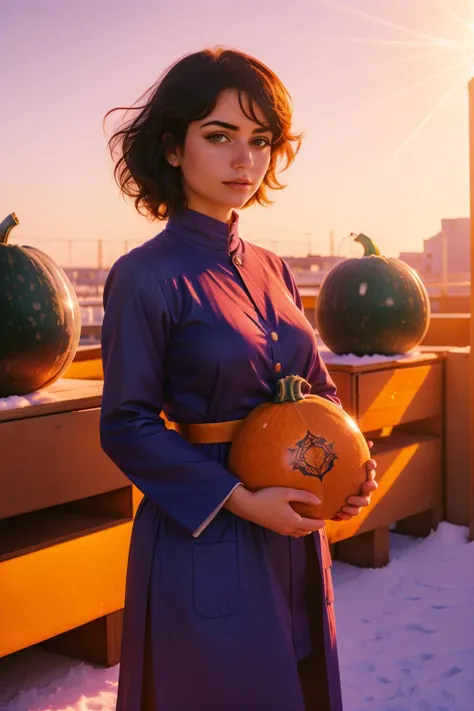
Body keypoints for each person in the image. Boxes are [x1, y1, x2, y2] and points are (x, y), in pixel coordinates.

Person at [100, 47, 377, 711]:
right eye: (219, 136)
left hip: (296, 527)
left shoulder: (274, 268)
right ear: (172, 149)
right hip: (207, 529)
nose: (244, 160)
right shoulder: (145, 275)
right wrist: (240, 499)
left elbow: (318, 389)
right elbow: (126, 423)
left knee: (299, 688)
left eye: (260, 141)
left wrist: (351, 464)